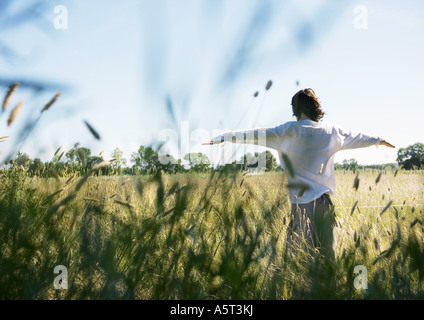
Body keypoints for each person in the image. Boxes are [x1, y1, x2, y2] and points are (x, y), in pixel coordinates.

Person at [203, 88, 395, 262]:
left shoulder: (286, 131)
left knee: (299, 259)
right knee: (329, 256)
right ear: (316, 108)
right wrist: (379, 140)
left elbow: (254, 134)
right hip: (324, 204)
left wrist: (223, 137)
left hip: (301, 206)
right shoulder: (331, 131)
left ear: (295, 109)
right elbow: (358, 137)